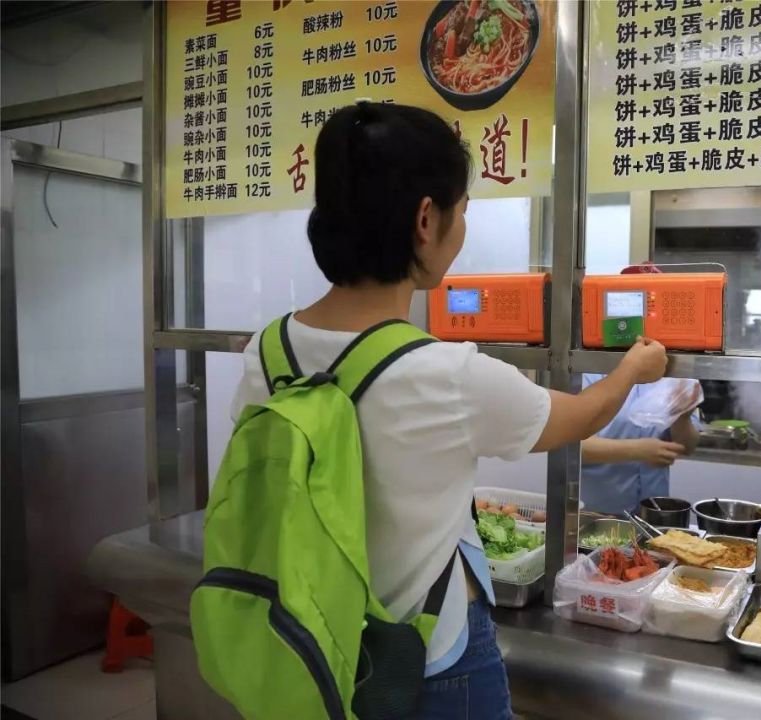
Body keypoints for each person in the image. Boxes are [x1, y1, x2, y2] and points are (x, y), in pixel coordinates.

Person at [229, 102, 669, 719]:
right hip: (425, 666)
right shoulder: (447, 372)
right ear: (425, 220)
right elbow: (583, 415)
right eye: (463, 210)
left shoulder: (265, 350)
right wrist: (635, 369)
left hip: (308, 645)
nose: (462, 229)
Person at [580, 263, 703, 515]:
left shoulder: (674, 370)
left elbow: (689, 445)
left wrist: (681, 415)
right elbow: (571, 445)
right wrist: (637, 450)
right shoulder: (590, 368)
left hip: (653, 512)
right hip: (597, 513)